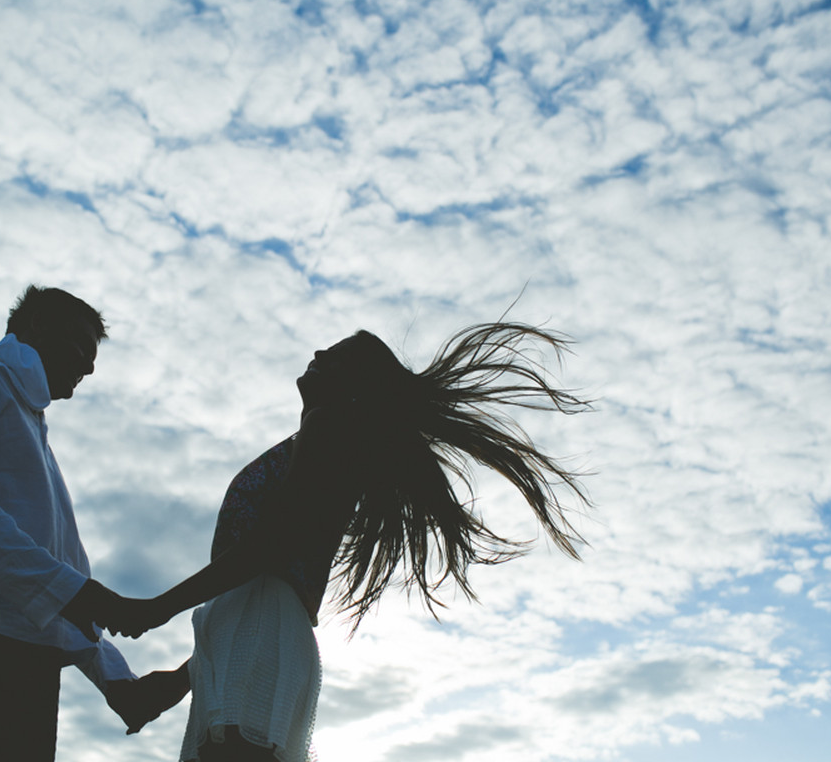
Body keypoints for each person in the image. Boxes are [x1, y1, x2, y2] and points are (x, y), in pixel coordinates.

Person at [107, 322, 592, 762]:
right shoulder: (321, 439)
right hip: (247, 641)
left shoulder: (326, 430)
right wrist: (184, 678)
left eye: (336, 356)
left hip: (258, 638)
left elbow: (268, 550)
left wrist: (156, 608)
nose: (319, 352)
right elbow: (262, 578)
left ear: (355, 385)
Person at [0, 285, 179, 761]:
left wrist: (118, 680)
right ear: (38, 326)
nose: (90, 367)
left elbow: (65, 576)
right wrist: (82, 596)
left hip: (28, 675)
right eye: (81, 347)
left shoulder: (37, 437)